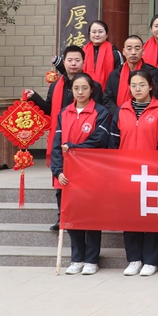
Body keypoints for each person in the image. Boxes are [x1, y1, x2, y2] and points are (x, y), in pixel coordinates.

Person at [25, 45, 101, 231]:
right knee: (61, 181)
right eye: (70, 60)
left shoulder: (93, 86)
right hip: (61, 140)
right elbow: (50, 111)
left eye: (77, 60)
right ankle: (63, 217)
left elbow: (98, 112)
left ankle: (85, 216)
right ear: (64, 62)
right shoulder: (55, 86)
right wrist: (35, 98)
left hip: (83, 142)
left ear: (84, 62)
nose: (73, 63)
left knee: (85, 184)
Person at [111, 70, 158, 277]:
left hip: (153, 174)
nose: (137, 89)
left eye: (141, 85)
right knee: (130, 216)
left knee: (153, 216)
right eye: (133, 85)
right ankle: (134, 259)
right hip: (127, 174)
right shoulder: (122, 111)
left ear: (150, 86)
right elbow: (113, 144)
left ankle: (152, 260)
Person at [51, 73, 111, 276]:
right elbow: (57, 145)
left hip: (91, 174)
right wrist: (58, 171)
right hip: (67, 176)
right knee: (72, 218)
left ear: (91, 90)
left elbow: (100, 139)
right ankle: (77, 258)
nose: (80, 92)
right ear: (72, 90)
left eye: (85, 88)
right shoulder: (64, 113)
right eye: (76, 88)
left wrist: (75, 148)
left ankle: (92, 259)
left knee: (91, 218)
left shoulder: (100, 112)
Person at [103, 35, 154, 118]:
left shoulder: (151, 73)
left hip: (144, 117)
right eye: (129, 48)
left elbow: (155, 97)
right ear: (123, 51)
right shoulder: (114, 74)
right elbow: (107, 99)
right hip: (119, 117)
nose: (133, 52)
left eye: (137, 48)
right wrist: (120, 114)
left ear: (143, 51)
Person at [82, 20, 123, 85]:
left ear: (107, 35)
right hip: (85, 88)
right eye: (94, 32)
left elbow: (120, 74)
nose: (97, 35)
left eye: (100, 32)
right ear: (89, 34)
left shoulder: (114, 52)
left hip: (108, 89)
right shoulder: (82, 52)